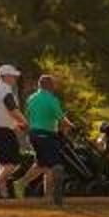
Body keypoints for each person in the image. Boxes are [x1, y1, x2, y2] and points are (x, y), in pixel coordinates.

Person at [0, 64, 28, 198]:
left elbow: (2, 113)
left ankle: (3, 195)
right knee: (13, 163)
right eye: (12, 76)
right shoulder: (5, 91)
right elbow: (12, 110)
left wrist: (15, 125)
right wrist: (25, 122)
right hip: (3, 131)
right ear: (4, 76)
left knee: (3, 164)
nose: (15, 78)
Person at [25, 71, 68, 203]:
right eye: (54, 84)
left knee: (45, 165)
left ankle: (46, 195)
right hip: (47, 135)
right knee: (56, 165)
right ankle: (54, 195)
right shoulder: (52, 99)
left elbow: (28, 116)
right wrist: (70, 126)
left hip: (33, 135)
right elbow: (61, 118)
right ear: (50, 86)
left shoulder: (31, 98)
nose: (55, 86)